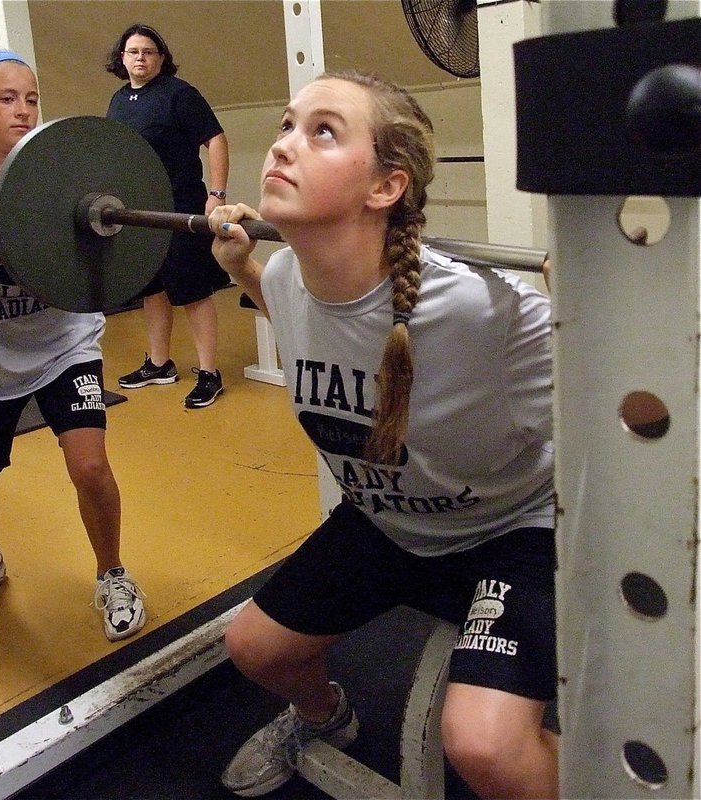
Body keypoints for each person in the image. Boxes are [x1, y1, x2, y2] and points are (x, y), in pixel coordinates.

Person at [208, 71, 558, 799]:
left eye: (321, 131)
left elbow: (625, 408)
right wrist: (241, 265)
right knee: (254, 649)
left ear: (384, 187)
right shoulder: (283, 281)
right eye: (284, 124)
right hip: (388, 524)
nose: (282, 146)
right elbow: (324, 324)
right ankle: (323, 717)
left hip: (514, 531)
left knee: (484, 747)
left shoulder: (485, 311)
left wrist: (591, 306)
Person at [0, 49, 146, 642]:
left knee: (89, 465)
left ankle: (112, 573)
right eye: (7, 99)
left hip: (65, 343)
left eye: (31, 98)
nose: (24, 111)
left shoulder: (60, 176)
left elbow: (103, 256)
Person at [105, 23, 230, 409]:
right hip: (138, 213)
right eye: (133, 52)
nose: (140, 58)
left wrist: (217, 193)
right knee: (152, 288)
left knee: (191, 290)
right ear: (121, 58)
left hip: (180, 209)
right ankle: (160, 364)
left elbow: (216, 139)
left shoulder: (179, 95)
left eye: (148, 52)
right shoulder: (118, 100)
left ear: (161, 58)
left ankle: (210, 373)